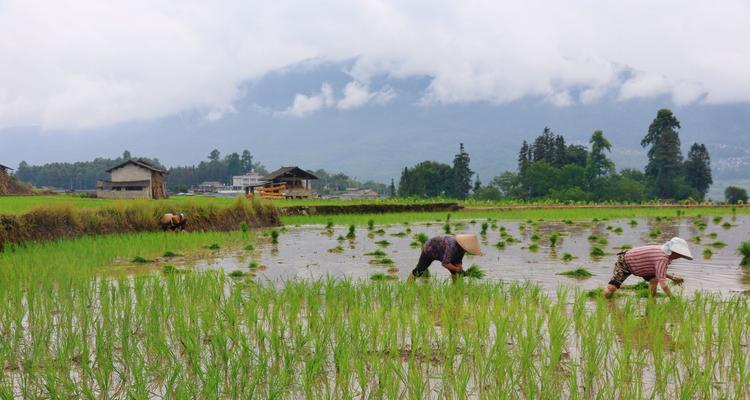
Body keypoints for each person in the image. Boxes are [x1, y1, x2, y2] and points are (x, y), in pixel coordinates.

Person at [603, 237, 692, 298]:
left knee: (654, 280)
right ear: (674, 251)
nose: (680, 256)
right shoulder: (662, 258)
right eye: (680, 254)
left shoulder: (665, 254)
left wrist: (672, 278)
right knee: (612, 289)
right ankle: (605, 301)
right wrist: (672, 298)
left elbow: (659, 272)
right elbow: (663, 284)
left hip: (641, 265)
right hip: (626, 262)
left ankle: (651, 300)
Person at [407, 234, 484, 282]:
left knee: (455, 272)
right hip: (430, 249)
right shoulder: (452, 246)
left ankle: (455, 289)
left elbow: (458, 261)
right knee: (419, 271)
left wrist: (461, 271)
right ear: (464, 245)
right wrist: (457, 269)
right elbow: (445, 263)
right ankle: (408, 288)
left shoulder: (462, 249)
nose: (468, 251)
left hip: (442, 252)